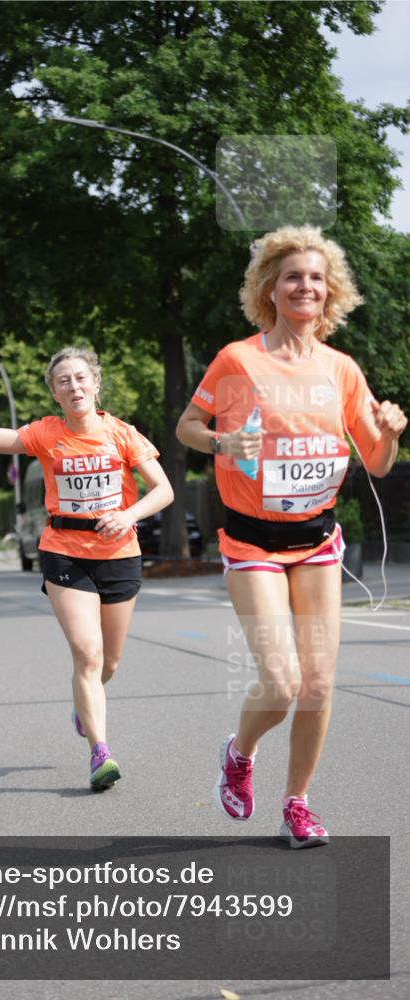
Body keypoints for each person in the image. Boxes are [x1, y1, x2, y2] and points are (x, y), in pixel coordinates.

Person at [176, 225, 407, 847]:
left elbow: (379, 462)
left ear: (329, 291)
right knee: (281, 684)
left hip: (317, 541)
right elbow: (188, 426)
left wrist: (390, 429)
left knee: (319, 684)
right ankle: (240, 751)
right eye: (292, 277)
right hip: (251, 540)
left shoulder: (341, 369)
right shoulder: (238, 360)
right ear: (270, 290)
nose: (305, 286)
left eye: (315, 277)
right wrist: (223, 440)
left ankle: (297, 803)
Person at [0, 342, 174, 791]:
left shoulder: (122, 433)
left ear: (96, 384)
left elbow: (163, 490)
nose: (74, 386)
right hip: (65, 551)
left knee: (111, 663)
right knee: (87, 653)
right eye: (64, 382)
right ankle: (100, 752)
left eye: (81, 378)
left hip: (119, 553)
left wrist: (128, 514)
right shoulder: (45, 433)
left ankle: (85, 702)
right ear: (55, 395)